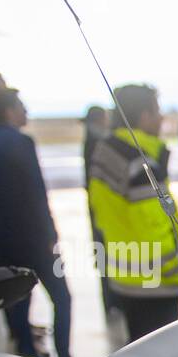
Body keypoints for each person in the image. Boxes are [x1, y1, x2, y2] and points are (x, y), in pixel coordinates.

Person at [87, 83, 178, 341]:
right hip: (155, 285)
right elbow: (155, 230)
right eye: (157, 110)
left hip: (126, 276)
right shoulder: (139, 165)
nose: (162, 118)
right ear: (144, 116)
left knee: (140, 352)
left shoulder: (106, 152)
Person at [0, 88, 73, 357]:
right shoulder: (22, 142)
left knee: (17, 303)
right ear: (9, 111)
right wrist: (51, 234)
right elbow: (36, 194)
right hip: (35, 240)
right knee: (62, 299)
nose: (25, 112)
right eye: (21, 107)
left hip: (3, 241)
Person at [81, 105, 113, 313]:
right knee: (105, 253)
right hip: (103, 208)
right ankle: (112, 301)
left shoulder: (93, 140)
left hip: (98, 207)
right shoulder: (99, 143)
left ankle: (111, 300)